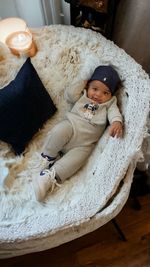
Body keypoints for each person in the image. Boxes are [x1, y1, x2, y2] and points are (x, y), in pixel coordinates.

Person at [32, 65, 123, 201]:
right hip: (71, 126)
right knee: (59, 131)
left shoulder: (109, 104)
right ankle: (48, 157)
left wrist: (117, 122)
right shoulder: (82, 96)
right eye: (95, 89)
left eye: (105, 93)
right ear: (88, 87)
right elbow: (69, 94)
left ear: (111, 95)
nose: (98, 95)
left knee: (77, 161)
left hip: (84, 144)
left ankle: (48, 177)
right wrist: (82, 83)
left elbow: (114, 113)